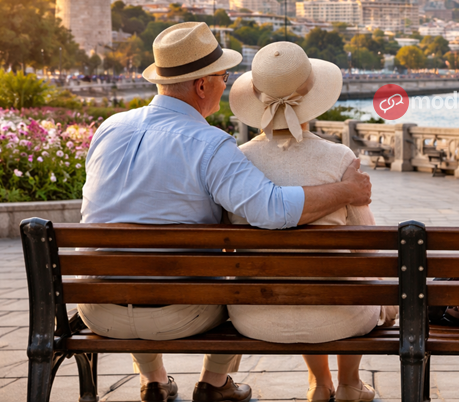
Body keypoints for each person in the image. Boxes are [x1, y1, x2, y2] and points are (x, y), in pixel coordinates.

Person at [79, 23, 372, 402]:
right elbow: (273, 210)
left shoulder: (109, 128)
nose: (225, 83)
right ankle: (214, 383)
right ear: (202, 86)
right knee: (232, 289)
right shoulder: (209, 143)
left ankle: (154, 381)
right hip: (177, 314)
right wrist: (348, 190)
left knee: (125, 260)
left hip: (97, 308)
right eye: (223, 77)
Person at [227, 41, 396, 402]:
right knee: (351, 275)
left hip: (255, 315)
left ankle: (320, 383)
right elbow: (367, 241)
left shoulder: (237, 162)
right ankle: (349, 382)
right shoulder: (338, 158)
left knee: (297, 275)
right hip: (339, 315)